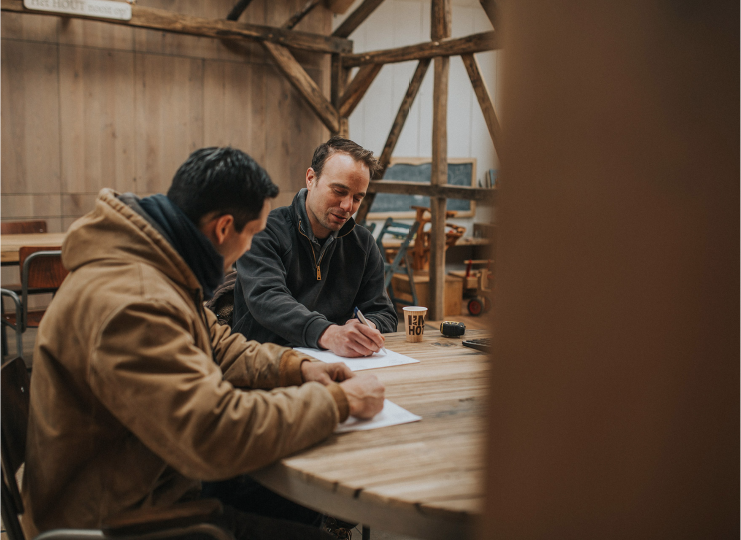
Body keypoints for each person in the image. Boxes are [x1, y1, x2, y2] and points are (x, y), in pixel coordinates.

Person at [21, 147, 385, 540]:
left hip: (145, 479)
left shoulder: (156, 267)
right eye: (251, 235)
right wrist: (339, 402)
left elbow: (220, 345)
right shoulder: (135, 299)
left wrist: (297, 368)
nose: (248, 249)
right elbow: (213, 431)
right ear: (225, 228)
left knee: (293, 502)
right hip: (119, 518)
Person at [232, 137, 398, 358]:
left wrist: (368, 328)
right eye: (339, 191)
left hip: (335, 363)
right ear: (311, 178)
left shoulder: (363, 243)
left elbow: (383, 312)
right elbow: (267, 298)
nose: (348, 206)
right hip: (261, 361)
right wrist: (330, 334)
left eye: (358, 198)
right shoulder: (263, 230)